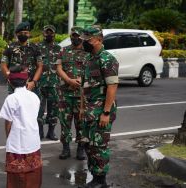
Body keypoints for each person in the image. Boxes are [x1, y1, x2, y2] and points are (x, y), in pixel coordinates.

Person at [80, 26, 119, 188]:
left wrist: (106, 112)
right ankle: (94, 178)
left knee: (99, 146)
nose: (85, 43)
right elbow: (84, 86)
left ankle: (101, 181)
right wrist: (82, 108)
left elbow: (112, 87)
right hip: (89, 110)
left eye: (88, 40)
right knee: (89, 145)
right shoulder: (89, 59)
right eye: (84, 40)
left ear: (99, 39)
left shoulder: (107, 59)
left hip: (101, 110)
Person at [0, 65, 43, 188]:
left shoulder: (11, 99)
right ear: (27, 80)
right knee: (33, 174)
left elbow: (8, 122)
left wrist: (8, 137)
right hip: (33, 140)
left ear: (9, 82)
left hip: (17, 142)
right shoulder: (34, 96)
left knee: (17, 178)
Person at [56, 26, 87, 160]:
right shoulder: (64, 51)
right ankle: (66, 148)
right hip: (65, 93)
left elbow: (91, 68)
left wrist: (81, 79)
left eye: (78, 36)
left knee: (81, 122)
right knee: (65, 122)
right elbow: (58, 68)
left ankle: (81, 148)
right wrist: (69, 80)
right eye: (73, 35)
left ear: (82, 37)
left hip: (81, 94)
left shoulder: (87, 51)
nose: (75, 38)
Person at [0, 21, 43, 95]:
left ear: (29, 34)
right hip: (14, 87)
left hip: (31, 86)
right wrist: (10, 77)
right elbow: (3, 65)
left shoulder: (35, 48)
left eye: (26, 33)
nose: (23, 35)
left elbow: (40, 66)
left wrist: (33, 82)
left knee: (31, 106)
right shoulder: (10, 47)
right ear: (17, 34)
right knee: (14, 105)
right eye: (21, 33)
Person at [36, 25, 61, 140]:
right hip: (40, 84)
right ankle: (39, 132)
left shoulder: (59, 49)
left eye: (51, 33)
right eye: (47, 32)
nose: (49, 35)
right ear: (43, 33)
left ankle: (51, 132)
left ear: (54, 34)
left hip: (54, 84)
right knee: (39, 109)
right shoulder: (37, 48)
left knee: (54, 109)